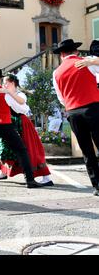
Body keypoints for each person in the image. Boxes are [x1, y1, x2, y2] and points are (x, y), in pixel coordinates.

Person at [0, 66, 44, 188]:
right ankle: (29, 180)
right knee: (21, 150)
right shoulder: (5, 92)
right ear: (0, 79)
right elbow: (19, 105)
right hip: (5, 124)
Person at [52, 39, 99, 196]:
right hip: (92, 108)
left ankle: (97, 186)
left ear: (61, 55)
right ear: (76, 51)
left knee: (87, 150)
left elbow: (61, 98)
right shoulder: (86, 62)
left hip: (73, 112)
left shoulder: (56, 73)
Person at [0, 73, 53, 186]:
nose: (4, 85)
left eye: (6, 82)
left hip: (22, 122)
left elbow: (21, 102)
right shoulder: (4, 94)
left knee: (30, 149)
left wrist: (9, 92)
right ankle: (3, 172)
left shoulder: (20, 94)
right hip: (8, 122)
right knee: (3, 147)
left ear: (13, 83)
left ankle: (46, 176)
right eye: (3, 82)